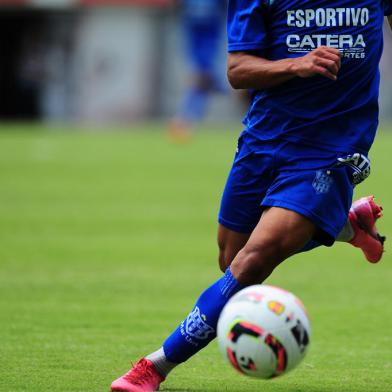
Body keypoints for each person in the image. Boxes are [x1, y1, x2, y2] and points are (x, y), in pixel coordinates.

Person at [111, 2, 391, 391]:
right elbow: (238, 70)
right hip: (265, 140)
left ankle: (154, 367)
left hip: (332, 148)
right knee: (231, 257)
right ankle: (346, 226)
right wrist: (297, 64)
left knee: (255, 260)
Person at [169, 0, 228, 140]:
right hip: (198, 29)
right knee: (202, 76)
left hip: (209, 30)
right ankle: (184, 119)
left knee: (204, 76)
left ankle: (184, 119)